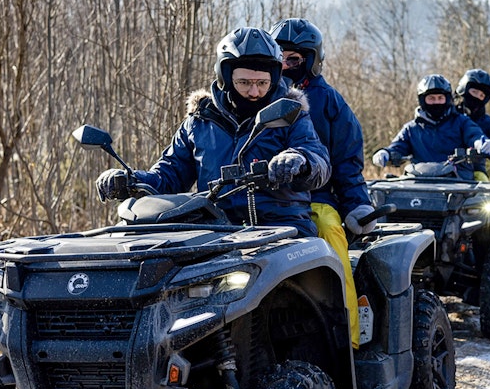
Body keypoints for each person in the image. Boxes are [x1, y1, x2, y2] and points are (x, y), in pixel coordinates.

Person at [95, 27, 331, 238]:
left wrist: (300, 160)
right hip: (214, 229)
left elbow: (318, 159)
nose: (254, 91)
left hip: (282, 228)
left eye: (262, 83)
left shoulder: (291, 113)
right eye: (244, 82)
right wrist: (131, 180)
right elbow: (168, 176)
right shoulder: (200, 121)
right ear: (226, 78)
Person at [269, 17, 374, 349]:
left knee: (330, 237)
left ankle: (350, 340)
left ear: (312, 60)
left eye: (294, 59)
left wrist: (357, 202)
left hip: (317, 197)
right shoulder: (258, 96)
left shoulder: (330, 102)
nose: (285, 65)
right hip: (260, 202)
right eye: (279, 57)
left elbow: (347, 161)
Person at [372, 74, 490, 180]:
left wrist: (482, 143)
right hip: (419, 184)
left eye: (440, 98)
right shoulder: (411, 128)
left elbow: (475, 135)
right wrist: (386, 152)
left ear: (447, 99)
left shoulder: (462, 122)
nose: (436, 102)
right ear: (422, 100)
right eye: (431, 98)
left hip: (459, 183)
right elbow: (398, 146)